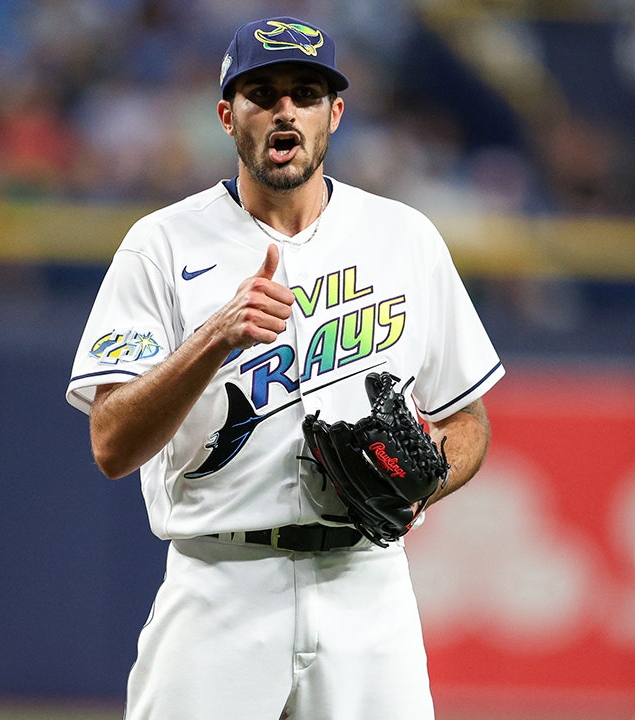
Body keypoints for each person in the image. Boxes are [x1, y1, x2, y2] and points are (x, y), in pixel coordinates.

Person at [66, 17, 503, 720]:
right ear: (226, 115)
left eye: (305, 91)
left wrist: (421, 487)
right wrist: (214, 337)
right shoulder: (161, 244)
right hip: (219, 585)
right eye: (262, 92)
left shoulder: (404, 239)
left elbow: (467, 420)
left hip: (367, 587)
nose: (284, 108)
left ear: (334, 113)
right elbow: (111, 444)